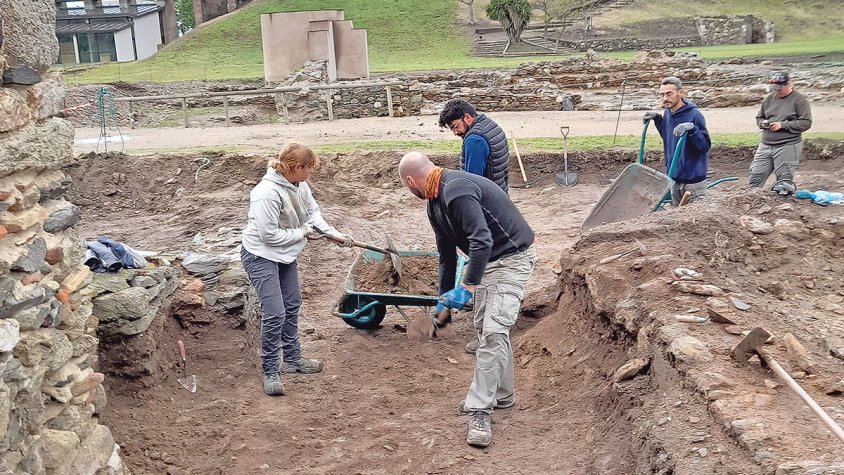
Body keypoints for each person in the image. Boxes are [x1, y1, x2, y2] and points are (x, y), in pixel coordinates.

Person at [398, 151, 536, 448]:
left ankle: (479, 409)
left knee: (493, 332)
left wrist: (468, 287)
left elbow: (481, 239)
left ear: (411, 181)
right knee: (489, 329)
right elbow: (446, 256)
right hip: (488, 262)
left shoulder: (456, 189)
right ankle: (502, 394)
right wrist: (442, 304)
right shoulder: (435, 205)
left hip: (511, 260)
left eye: (407, 187)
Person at [240, 142, 354, 396]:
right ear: (297, 167)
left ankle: (292, 359)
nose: (311, 173)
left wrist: (334, 234)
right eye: (309, 168)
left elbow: (312, 214)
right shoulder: (266, 193)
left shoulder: (299, 185)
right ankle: (270, 370)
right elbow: (269, 236)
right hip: (260, 255)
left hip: (285, 255)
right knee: (274, 312)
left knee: (291, 304)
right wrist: (302, 232)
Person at [643, 76, 711, 207]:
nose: (665, 98)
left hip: (692, 181)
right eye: (662, 95)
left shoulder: (694, 115)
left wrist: (693, 130)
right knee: (678, 221)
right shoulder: (668, 113)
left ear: (680, 93)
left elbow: (703, 146)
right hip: (674, 177)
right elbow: (669, 137)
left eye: (669, 94)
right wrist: (658, 119)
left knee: (695, 220)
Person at [748, 71, 813, 189]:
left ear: (788, 84)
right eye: (774, 89)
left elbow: (806, 122)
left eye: (779, 89)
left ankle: (782, 205)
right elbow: (759, 117)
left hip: (787, 145)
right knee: (755, 176)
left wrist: (783, 125)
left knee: (784, 182)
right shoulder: (769, 99)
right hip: (766, 145)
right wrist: (762, 123)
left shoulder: (799, 100)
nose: (776, 91)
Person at [437, 99, 510, 194]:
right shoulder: (489, 124)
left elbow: (472, 181)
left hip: (486, 202)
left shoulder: (475, 140)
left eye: (455, 127)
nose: (455, 133)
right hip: (500, 195)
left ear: (467, 117)